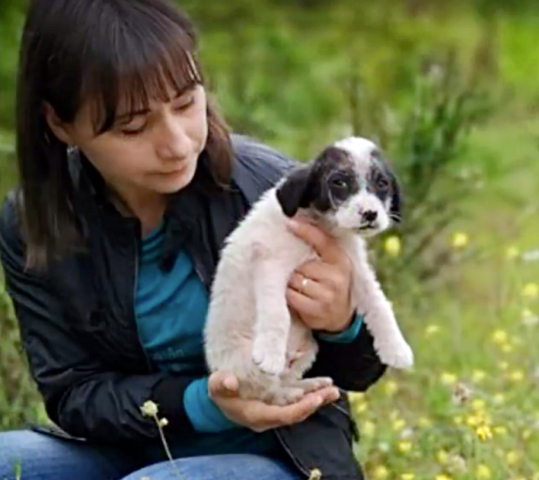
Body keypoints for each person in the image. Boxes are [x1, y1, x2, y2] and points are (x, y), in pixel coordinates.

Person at [0, 0, 387, 479]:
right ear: (60, 123)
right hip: (131, 447)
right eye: (134, 127)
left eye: (186, 103)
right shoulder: (31, 225)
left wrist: (341, 323)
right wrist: (207, 404)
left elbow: (364, 367)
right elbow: (74, 393)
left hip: (281, 455)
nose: (178, 144)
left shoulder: (275, 191)